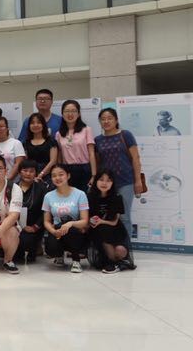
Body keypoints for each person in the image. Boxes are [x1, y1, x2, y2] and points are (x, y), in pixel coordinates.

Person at [94, 108, 142, 236]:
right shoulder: (97, 140)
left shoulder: (126, 135)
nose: (106, 121)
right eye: (103, 119)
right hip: (106, 185)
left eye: (109, 118)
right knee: (108, 216)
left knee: (124, 216)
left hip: (125, 181)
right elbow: (98, 163)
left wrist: (138, 180)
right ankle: (111, 244)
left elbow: (136, 158)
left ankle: (125, 246)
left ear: (116, 120)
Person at [43, 164, 90, 273]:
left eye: (61, 174)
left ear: (68, 176)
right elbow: (46, 221)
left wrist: (71, 224)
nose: (57, 178)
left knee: (71, 230)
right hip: (58, 229)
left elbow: (85, 221)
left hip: (75, 230)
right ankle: (59, 255)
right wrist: (53, 231)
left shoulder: (80, 194)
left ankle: (76, 260)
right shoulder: (48, 196)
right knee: (51, 248)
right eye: (54, 175)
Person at [88, 170, 134, 273]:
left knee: (120, 251)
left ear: (112, 183)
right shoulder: (90, 197)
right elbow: (87, 218)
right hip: (98, 232)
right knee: (100, 229)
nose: (104, 183)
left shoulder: (117, 197)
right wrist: (92, 221)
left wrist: (101, 221)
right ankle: (113, 262)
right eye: (101, 180)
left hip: (114, 231)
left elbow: (114, 222)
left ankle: (115, 262)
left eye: (108, 180)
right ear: (96, 181)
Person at [56, 100, 96, 191]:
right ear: (62, 114)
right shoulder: (59, 134)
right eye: (67, 111)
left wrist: (94, 175)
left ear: (79, 114)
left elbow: (91, 154)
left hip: (84, 169)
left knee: (84, 197)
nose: (70, 114)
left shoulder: (86, 130)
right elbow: (59, 156)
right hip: (67, 171)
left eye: (73, 111)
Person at [16, 160, 47, 263]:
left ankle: (34, 248)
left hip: (34, 227)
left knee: (27, 241)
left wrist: (35, 226)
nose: (28, 174)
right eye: (25, 170)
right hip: (15, 225)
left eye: (31, 171)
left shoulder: (41, 189)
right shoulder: (12, 187)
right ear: (19, 172)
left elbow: (45, 211)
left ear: (36, 173)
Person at [22, 112, 58, 182]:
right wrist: (31, 175)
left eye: (38, 122)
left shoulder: (51, 141)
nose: (35, 125)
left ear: (43, 125)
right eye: (32, 123)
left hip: (49, 176)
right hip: (31, 176)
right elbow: (26, 162)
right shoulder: (26, 143)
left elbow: (53, 161)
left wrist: (41, 175)